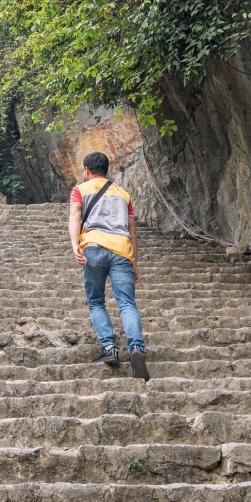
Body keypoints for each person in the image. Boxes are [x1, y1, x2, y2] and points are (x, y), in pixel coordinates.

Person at [69, 150, 150, 382]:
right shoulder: (123, 194)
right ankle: (136, 348)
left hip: (93, 247)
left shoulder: (80, 190)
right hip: (122, 250)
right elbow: (132, 230)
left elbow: (75, 215)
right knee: (127, 304)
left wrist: (75, 244)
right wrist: (134, 262)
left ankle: (109, 348)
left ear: (87, 170)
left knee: (96, 302)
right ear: (107, 170)